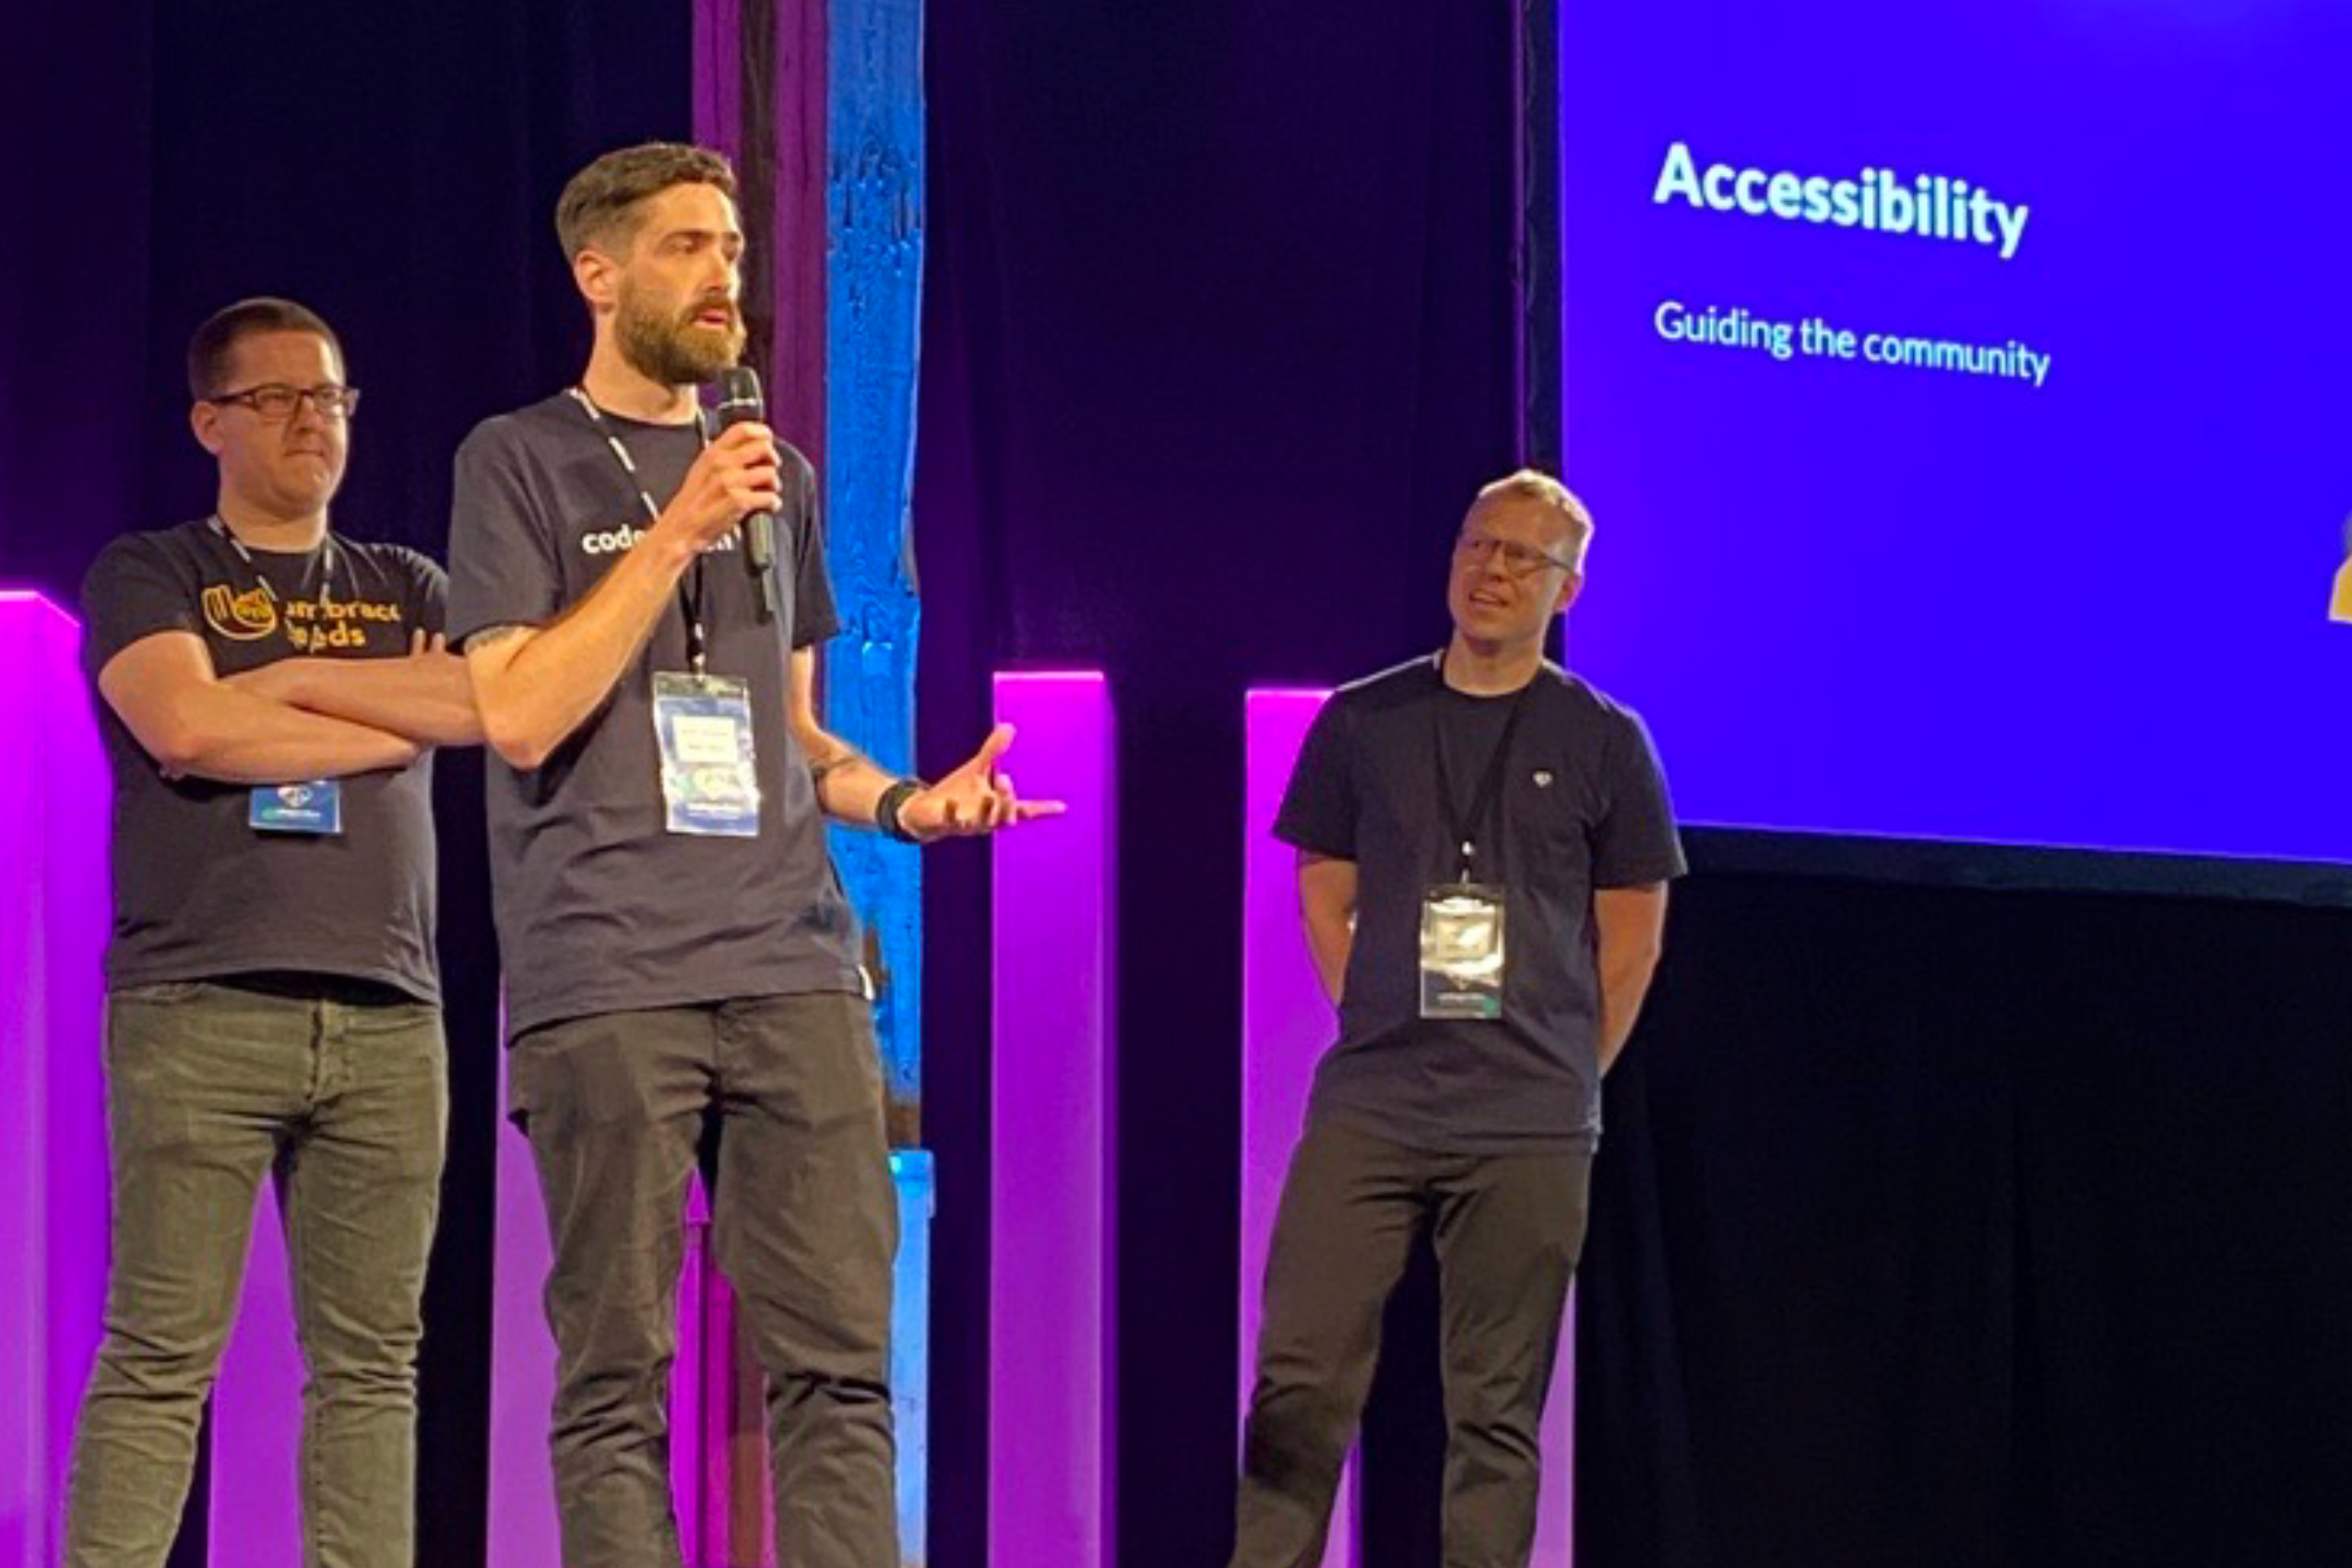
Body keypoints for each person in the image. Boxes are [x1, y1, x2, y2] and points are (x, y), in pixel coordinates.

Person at [446, 141, 1052, 1568]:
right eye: (684, 248)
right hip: (609, 974)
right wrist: (669, 536)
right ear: (598, 275)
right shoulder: (517, 460)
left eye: (729, 245)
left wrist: (910, 806)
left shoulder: (772, 469)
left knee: (841, 1359)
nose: (723, 275)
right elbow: (518, 714)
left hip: (791, 968)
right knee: (614, 1379)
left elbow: (789, 737)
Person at [67, 296, 481, 1568]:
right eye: (280, 398)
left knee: (372, 1369)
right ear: (211, 422)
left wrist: (287, 690)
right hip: (199, 1003)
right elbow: (186, 731)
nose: (315, 420)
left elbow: (471, 709)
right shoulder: (152, 570)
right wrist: (385, 718)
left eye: (334, 397)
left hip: (389, 1017)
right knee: (158, 1352)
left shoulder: (407, 581)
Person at [1229, 470, 1684, 1568]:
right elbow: (1323, 889)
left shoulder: (1606, 741)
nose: (1491, 571)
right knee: (1299, 1380)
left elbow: (1632, 937)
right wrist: (1376, 1010)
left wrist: (1571, 1072)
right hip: (1377, 1103)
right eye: (1479, 545)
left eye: (1522, 557)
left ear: (1567, 589)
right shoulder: (1363, 719)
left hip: (1527, 1116)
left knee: (1494, 1413)